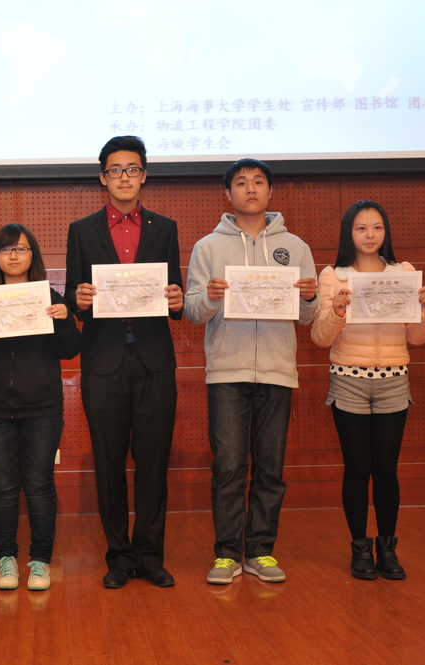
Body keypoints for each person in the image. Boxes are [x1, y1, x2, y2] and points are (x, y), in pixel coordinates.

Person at [184, 158, 318, 585]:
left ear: (270, 191)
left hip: (278, 370)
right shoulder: (208, 247)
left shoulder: (295, 246)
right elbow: (192, 312)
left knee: (270, 469)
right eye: (241, 183)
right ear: (228, 194)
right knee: (227, 467)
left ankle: (260, 551)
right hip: (227, 372)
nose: (251, 188)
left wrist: (310, 298)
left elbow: (308, 318)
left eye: (259, 181)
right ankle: (227, 554)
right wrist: (210, 296)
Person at [64, 136, 185, 589]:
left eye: (132, 169)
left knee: (153, 464)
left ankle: (150, 556)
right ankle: (118, 556)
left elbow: (174, 295)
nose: (124, 177)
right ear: (103, 177)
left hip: (154, 360)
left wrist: (176, 299)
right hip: (103, 360)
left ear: (144, 175)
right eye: (115, 170)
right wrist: (77, 298)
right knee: (109, 463)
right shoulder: (83, 230)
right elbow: (73, 295)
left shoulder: (165, 228)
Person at [310, 200, 425, 580]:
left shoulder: (404, 273)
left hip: (394, 379)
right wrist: (337, 312)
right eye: (361, 228)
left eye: (377, 227)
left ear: (386, 232)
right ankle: (359, 549)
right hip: (348, 379)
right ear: (349, 233)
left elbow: (416, 338)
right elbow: (319, 338)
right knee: (357, 468)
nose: (370, 235)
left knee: (385, 469)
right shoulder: (333, 275)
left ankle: (388, 549)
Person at [0, 224, 81, 591]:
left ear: (32, 255)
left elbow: (71, 349)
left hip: (43, 408)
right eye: (6, 249)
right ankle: (6, 559)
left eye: (21, 249)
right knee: (3, 488)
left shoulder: (50, 297)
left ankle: (40, 560)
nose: (13, 255)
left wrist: (65, 321)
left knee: (39, 485)